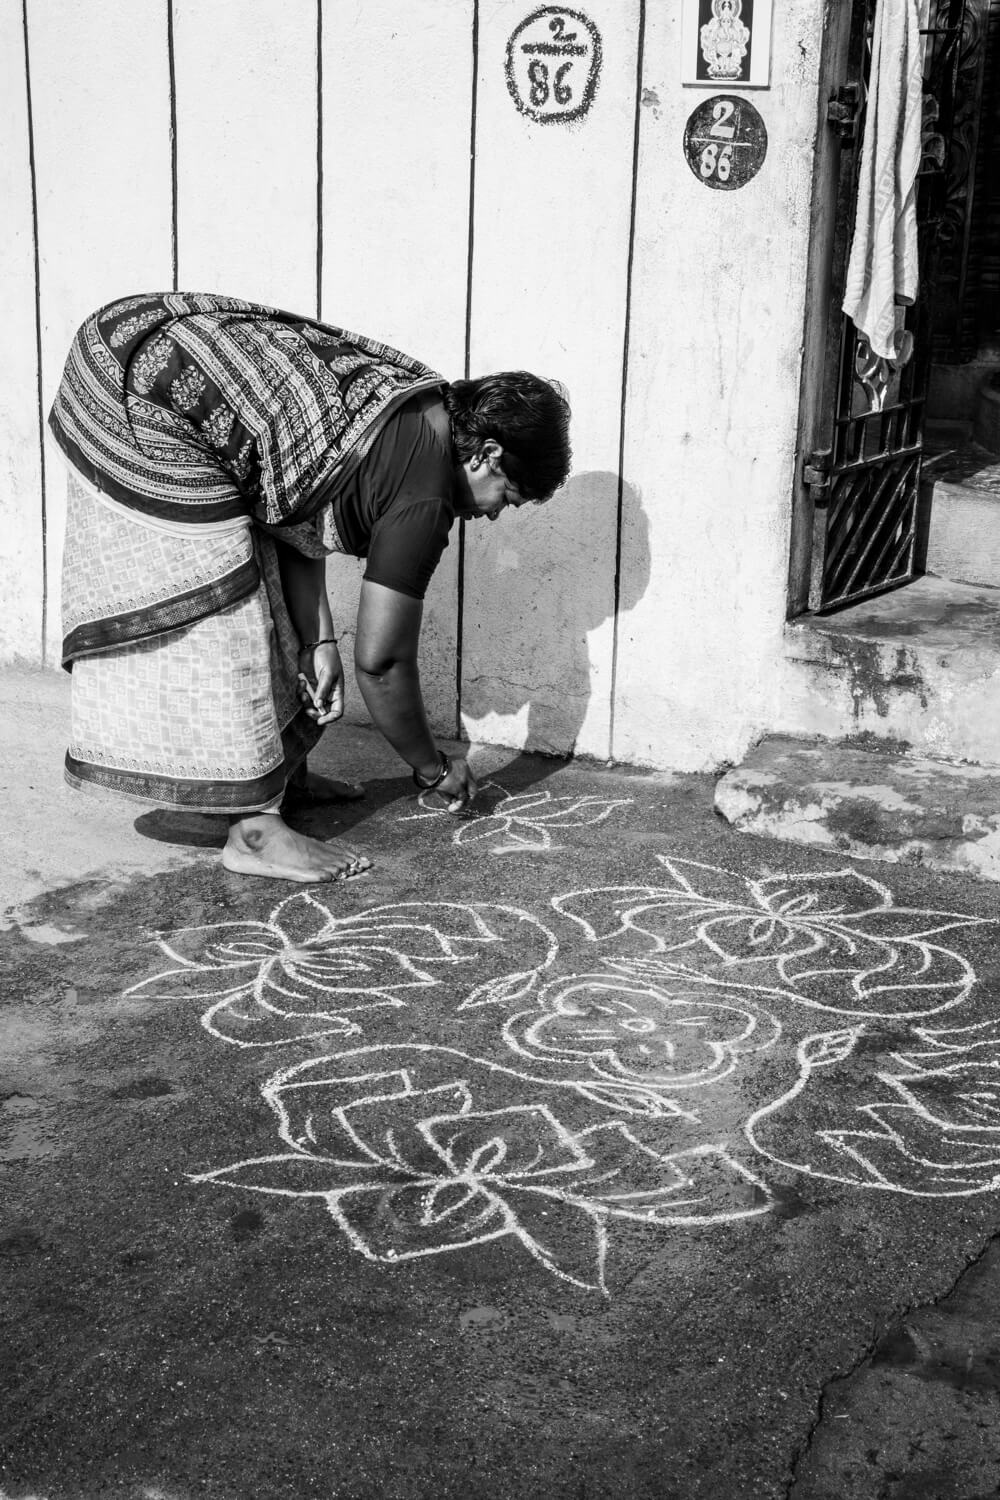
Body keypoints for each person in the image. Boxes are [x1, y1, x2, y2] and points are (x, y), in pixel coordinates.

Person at [49, 291, 571, 883]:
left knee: (264, 581)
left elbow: (290, 508)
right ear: (488, 455)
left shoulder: (418, 409)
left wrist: (318, 640)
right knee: (228, 604)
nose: (494, 514)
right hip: (131, 389)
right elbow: (382, 664)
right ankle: (253, 831)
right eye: (508, 497)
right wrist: (433, 768)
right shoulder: (424, 497)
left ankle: (279, 776)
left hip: (130, 343)